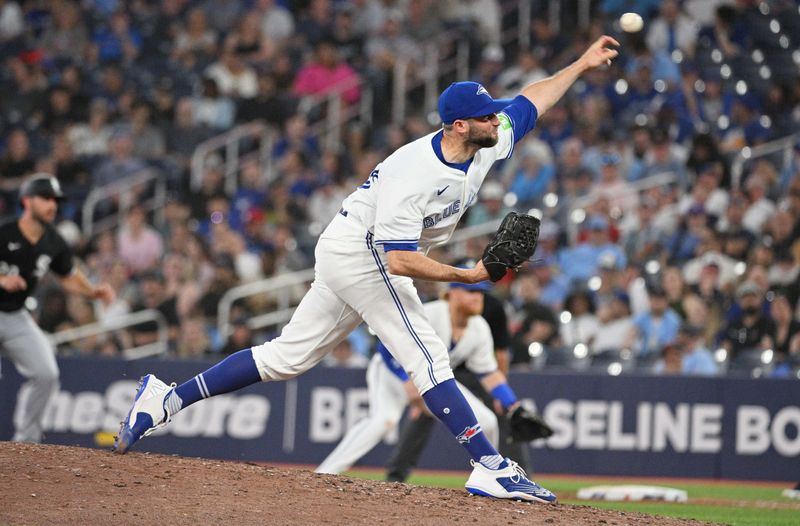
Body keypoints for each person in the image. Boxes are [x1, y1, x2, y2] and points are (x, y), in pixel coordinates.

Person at [114, 35, 620, 502]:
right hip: (364, 252)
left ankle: (166, 399)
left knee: (285, 358)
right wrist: (469, 277)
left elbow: (532, 101)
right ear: (460, 125)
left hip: (350, 248)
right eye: (488, 116)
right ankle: (488, 464)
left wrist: (581, 63)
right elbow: (399, 259)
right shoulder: (416, 174)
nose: (498, 120)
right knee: (428, 355)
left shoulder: (483, 143)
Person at [317, 275, 516, 475]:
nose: (477, 297)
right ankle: (326, 473)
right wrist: (407, 379)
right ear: (452, 293)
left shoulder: (479, 328)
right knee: (383, 422)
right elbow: (386, 342)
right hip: (392, 371)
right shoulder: (430, 313)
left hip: (431, 379)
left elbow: (488, 372)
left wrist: (510, 401)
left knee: (488, 422)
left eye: (481, 292)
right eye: (471, 291)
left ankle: (491, 475)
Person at [1, 174, 114, 443]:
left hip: (16, 315)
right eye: (46, 198)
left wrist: (92, 290)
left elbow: (68, 275)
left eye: (55, 199)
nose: (52, 205)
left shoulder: (53, 241)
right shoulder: (4, 232)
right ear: (27, 201)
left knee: (46, 373)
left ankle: (25, 443)